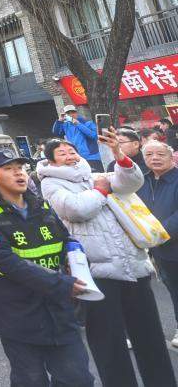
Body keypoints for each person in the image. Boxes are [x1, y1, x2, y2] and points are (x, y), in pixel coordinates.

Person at [38, 132, 175, 386]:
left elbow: (131, 183)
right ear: (52, 162)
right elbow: (75, 209)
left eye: (72, 151)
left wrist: (119, 156)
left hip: (131, 264)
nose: (70, 156)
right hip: (96, 271)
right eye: (62, 153)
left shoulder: (93, 175)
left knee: (149, 334)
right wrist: (100, 192)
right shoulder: (50, 183)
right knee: (108, 340)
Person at [0, 151, 94, 387]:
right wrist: (60, 284)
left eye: (20, 167)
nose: (18, 172)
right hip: (18, 314)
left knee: (77, 378)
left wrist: (73, 251)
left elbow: (63, 236)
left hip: (58, 312)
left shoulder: (41, 203)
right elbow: (4, 260)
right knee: (30, 380)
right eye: (9, 168)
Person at [138, 140, 178, 347]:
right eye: (149, 155)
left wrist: (158, 234)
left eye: (160, 154)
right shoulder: (142, 182)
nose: (154, 158)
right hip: (159, 249)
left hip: (169, 241)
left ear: (171, 156)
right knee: (173, 288)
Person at [52, 106, 101, 170]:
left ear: (76, 113)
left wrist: (78, 124)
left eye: (73, 112)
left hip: (92, 157)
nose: (71, 115)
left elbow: (94, 136)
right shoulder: (66, 125)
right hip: (76, 158)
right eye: (68, 113)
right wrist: (59, 121)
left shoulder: (87, 122)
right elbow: (56, 133)